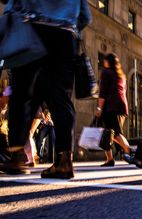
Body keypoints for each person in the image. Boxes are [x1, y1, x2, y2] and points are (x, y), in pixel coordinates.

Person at [0, 0, 91, 178]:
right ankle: (64, 160)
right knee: (61, 97)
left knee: (22, 94)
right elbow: (85, 16)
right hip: (65, 35)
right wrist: (71, 27)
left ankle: (17, 155)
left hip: (32, 28)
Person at [96, 53, 131, 167]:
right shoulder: (122, 76)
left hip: (111, 106)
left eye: (104, 61)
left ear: (108, 62)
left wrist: (99, 107)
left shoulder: (106, 72)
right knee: (107, 133)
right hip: (121, 106)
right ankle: (109, 159)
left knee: (114, 133)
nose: (103, 63)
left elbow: (103, 92)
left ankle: (130, 151)